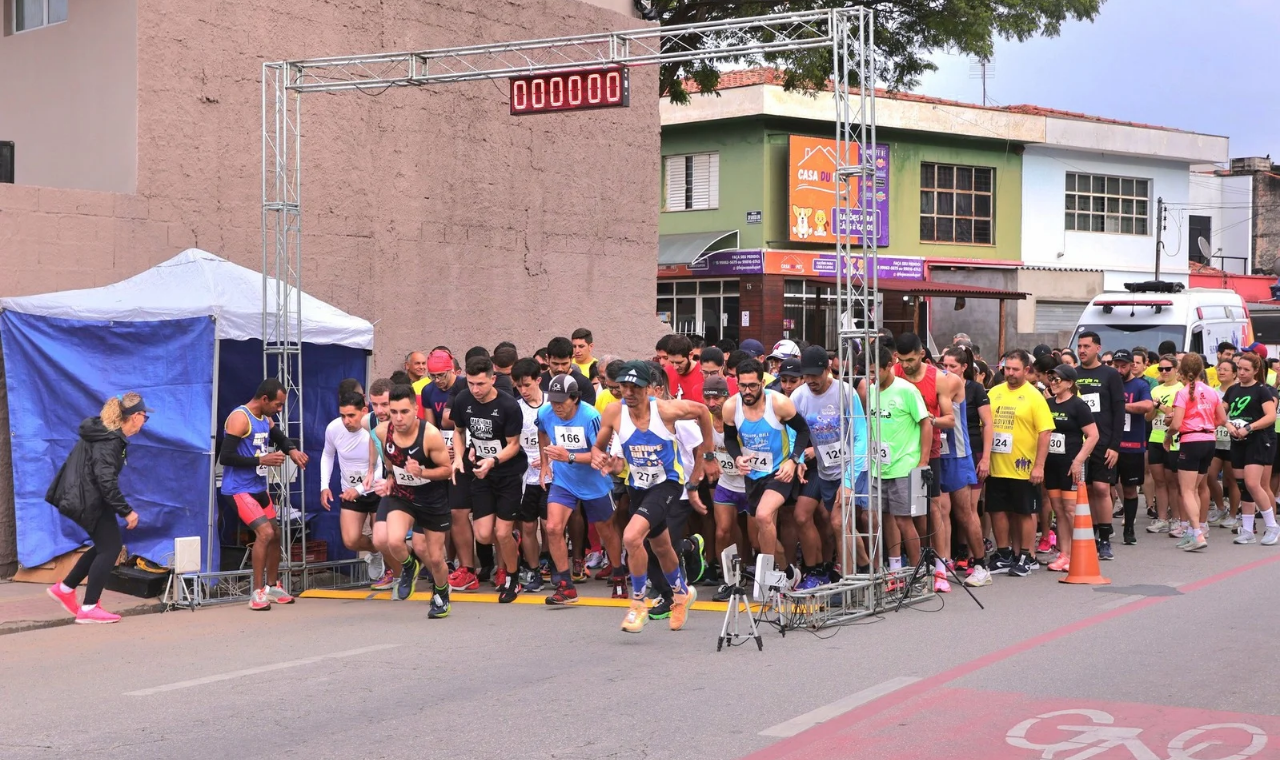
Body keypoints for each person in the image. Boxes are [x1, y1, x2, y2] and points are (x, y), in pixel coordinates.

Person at [591, 360, 715, 633]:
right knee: (660, 547)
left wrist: (707, 454)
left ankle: (637, 604)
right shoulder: (613, 412)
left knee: (632, 537)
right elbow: (600, 450)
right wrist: (606, 462)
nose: (629, 392)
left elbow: (704, 411)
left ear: (649, 388)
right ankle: (681, 594)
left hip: (667, 484)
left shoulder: (667, 411)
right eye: (624, 386)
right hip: (638, 486)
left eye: (636, 387)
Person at [45, 393, 149, 624]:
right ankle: (89, 607)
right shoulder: (109, 440)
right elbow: (105, 481)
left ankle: (65, 588)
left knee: (105, 545)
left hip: (87, 497)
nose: (144, 422)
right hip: (88, 499)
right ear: (134, 417)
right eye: (144, 416)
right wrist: (126, 511)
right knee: (110, 547)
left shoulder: (108, 435)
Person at [219, 379, 308, 611]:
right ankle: (256, 593)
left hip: (258, 488)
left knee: (276, 534)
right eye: (278, 405)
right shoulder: (240, 418)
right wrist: (262, 460)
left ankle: (272, 587)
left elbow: (279, 438)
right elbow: (225, 458)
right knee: (265, 533)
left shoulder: (265, 418)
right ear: (264, 399)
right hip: (239, 490)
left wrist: (293, 450)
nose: (280, 410)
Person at [722, 358, 811, 587]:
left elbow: (802, 431)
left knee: (763, 515)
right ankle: (789, 574)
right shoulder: (731, 407)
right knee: (762, 534)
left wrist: (793, 460)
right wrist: (738, 458)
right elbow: (730, 439)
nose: (747, 391)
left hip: (779, 472)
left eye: (753, 385)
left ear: (762, 382)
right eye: (743, 386)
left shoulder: (779, 403)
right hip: (753, 475)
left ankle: (768, 577)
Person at [537, 373, 625, 605]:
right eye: (553, 401)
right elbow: (542, 432)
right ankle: (566, 585)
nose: (556, 406)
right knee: (553, 527)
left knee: (607, 530)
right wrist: (545, 464)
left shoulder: (591, 416)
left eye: (561, 401)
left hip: (595, 482)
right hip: (564, 481)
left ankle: (619, 575)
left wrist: (569, 456)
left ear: (574, 398)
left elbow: (602, 455)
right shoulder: (545, 413)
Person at [449, 355, 529, 603]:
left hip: (507, 473)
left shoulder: (508, 405)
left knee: (502, 532)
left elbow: (514, 445)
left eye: (480, 384)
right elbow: (459, 432)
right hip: (480, 473)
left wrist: (493, 461)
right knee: (484, 535)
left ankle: (513, 580)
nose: (475, 389)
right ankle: (510, 540)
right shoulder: (463, 399)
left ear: (493, 379)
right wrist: (457, 458)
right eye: (471, 383)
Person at [372, 384, 454, 617]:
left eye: (404, 412)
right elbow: (390, 462)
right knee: (393, 540)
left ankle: (441, 594)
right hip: (403, 495)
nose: (398, 418)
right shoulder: (382, 432)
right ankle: (409, 566)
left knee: (436, 558)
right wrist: (389, 478)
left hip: (432, 498)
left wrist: (423, 473)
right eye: (394, 412)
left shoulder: (429, 435)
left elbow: (447, 470)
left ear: (415, 409)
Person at [791, 345, 862, 590]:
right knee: (840, 524)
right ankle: (867, 569)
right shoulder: (799, 397)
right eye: (806, 375)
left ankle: (848, 584)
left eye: (815, 375)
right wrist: (797, 458)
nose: (810, 380)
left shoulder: (845, 392)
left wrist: (850, 481)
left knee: (838, 522)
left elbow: (861, 436)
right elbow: (794, 433)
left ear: (828, 369)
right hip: (823, 471)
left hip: (849, 468)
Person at [980, 350, 1052, 581]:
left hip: (1024, 466)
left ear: (1026, 370)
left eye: (1015, 369)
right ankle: (1004, 553)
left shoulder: (1034, 396)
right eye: (1007, 368)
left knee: (1024, 512)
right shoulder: (994, 393)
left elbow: (1045, 432)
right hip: (997, 464)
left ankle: (1026, 556)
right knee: (997, 510)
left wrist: (1039, 465)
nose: (1010, 373)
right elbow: (985, 425)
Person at [894, 333, 958, 585]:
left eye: (910, 360)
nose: (906, 365)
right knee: (904, 512)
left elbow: (950, 420)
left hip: (927, 451)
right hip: (899, 453)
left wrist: (927, 420)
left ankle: (941, 566)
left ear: (922, 354)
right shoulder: (894, 373)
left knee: (933, 507)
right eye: (901, 360)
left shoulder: (937, 378)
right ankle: (911, 561)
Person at [864, 344, 931, 574]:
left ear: (889, 367)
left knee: (904, 520)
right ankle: (885, 569)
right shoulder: (871, 391)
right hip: (877, 468)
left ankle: (916, 571)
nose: (872, 376)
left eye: (875, 371)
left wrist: (922, 461)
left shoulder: (906, 390)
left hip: (903, 466)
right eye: (868, 372)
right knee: (875, 519)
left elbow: (926, 423)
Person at [1074, 331, 1126, 560]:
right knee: (1087, 491)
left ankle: (1105, 539)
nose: (1082, 350)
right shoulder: (1072, 374)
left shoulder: (1110, 375)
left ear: (1097, 348)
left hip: (1104, 442)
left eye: (1087, 346)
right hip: (1079, 443)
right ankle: (1090, 534)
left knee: (1103, 489)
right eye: (1080, 346)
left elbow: (1118, 411)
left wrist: (1115, 445)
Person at [1167, 353, 1226, 552]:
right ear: (1201, 369)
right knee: (1197, 487)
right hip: (1209, 441)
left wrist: (1168, 436)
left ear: (1182, 371)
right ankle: (1196, 529)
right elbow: (1221, 419)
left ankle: (1197, 533)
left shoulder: (1183, 393)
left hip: (1191, 441)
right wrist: (1206, 424)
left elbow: (1175, 424)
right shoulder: (1212, 391)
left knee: (1187, 490)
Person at [1042, 365, 1099, 573]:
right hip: (1052, 464)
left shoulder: (1078, 405)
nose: (1054, 383)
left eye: (1059, 380)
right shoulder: (1047, 404)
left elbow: (1093, 435)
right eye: (1052, 378)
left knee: (1071, 510)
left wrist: (1079, 461)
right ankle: (1064, 554)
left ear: (1069, 383)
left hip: (1071, 464)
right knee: (1058, 510)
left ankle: (1080, 553)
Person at [941, 346, 991, 577]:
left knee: (966, 512)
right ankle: (946, 561)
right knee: (941, 510)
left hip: (960, 454)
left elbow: (988, 424)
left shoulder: (967, 387)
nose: (948, 370)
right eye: (945, 366)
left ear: (964, 367)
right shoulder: (938, 382)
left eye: (953, 366)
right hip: (938, 453)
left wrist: (986, 459)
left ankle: (980, 562)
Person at [1224, 352, 1280, 546]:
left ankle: (1272, 526)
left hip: (1257, 440)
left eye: (1246, 370)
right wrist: (1229, 425)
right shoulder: (1232, 390)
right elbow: (1220, 413)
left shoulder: (1262, 390)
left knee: (1253, 483)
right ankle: (1247, 529)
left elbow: (1270, 416)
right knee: (1243, 485)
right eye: (1239, 368)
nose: (1241, 372)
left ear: (1256, 371)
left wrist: (1249, 427)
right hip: (1237, 441)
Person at [320, 391, 380, 566]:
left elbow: (384, 467)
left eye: (351, 415)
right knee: (351, 541)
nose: (346, 421)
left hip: (378, 490)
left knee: (382, 538)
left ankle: (397, 570)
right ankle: (375, 553)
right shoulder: (333, 428)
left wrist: (360, 489)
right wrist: (324, 485)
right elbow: (327, 455)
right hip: (350, 491)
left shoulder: (377, 428)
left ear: (364, 410)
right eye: (343, 416)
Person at [702, 375, 748, 602]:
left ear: (726, 396)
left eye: (717, 398)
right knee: (722, 531)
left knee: (758, 538)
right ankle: (730, 580)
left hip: (750, 483)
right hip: (726, 483)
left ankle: (776, 575)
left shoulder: (738, 417)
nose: (712, 404)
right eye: (707, 398)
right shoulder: (705, 421)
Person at [511, 359, 549, 593]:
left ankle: (556, 568)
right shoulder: (516, 408)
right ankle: (534, 572)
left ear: (538, 380)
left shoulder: (551, 405)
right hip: (526, 478)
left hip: (552, 476)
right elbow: (512, 442)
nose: (523, 391)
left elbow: (562, 436)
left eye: (527, 385)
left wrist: (549, 457)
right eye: (518, 386)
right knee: (527, 526)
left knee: (550, 525)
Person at [1112, 349, 1153, 546]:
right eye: (1116, 366)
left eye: (1124, 366)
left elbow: (1147, 406)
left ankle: (1129, 528)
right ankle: (1103, 526)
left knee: (1130, 489)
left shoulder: (1140, 385)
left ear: (1131, 366)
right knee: (1104, 487)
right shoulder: (1110, 383)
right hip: (1110, 444)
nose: (1120, 370)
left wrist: (1122, 406)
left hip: (1132, 445)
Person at [1145, 355, 1183, 534]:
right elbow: (1148, 417)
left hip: (1174, 438)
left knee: (1172, 481)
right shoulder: (1155, 390)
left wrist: (1160, 406)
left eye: (1168, 369)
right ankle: (1161, 518)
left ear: (1176, 369)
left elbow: (1175, 414)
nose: (1165, 372)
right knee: (1159, 481)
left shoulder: (1181, 388)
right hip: (1155, 437)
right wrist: (1154, 408)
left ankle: (1176, 518)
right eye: (1161, 369)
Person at [1208, 359, 1242, 531]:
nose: (1221, 372)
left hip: (1232, 441)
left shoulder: (1238, 391)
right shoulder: (1212, 392)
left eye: (1226, 370)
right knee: (1209, 475)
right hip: (1215, 441)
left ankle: (1233, 515)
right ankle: (1221, 508)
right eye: (1219, 369)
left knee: (1231, 480)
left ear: (1234, 373)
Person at [543, 336, 598, 406]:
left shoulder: (584, 384)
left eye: (564, 364)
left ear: (572, 359)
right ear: (547, 359)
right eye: (555, 363)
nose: (560, 368)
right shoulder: (538, 382)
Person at [664, 334, 704, 402]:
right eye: (671, 362)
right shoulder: (666, 373)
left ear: (691, 355)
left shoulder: (704, 372)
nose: (675, 367)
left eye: (679, 362)